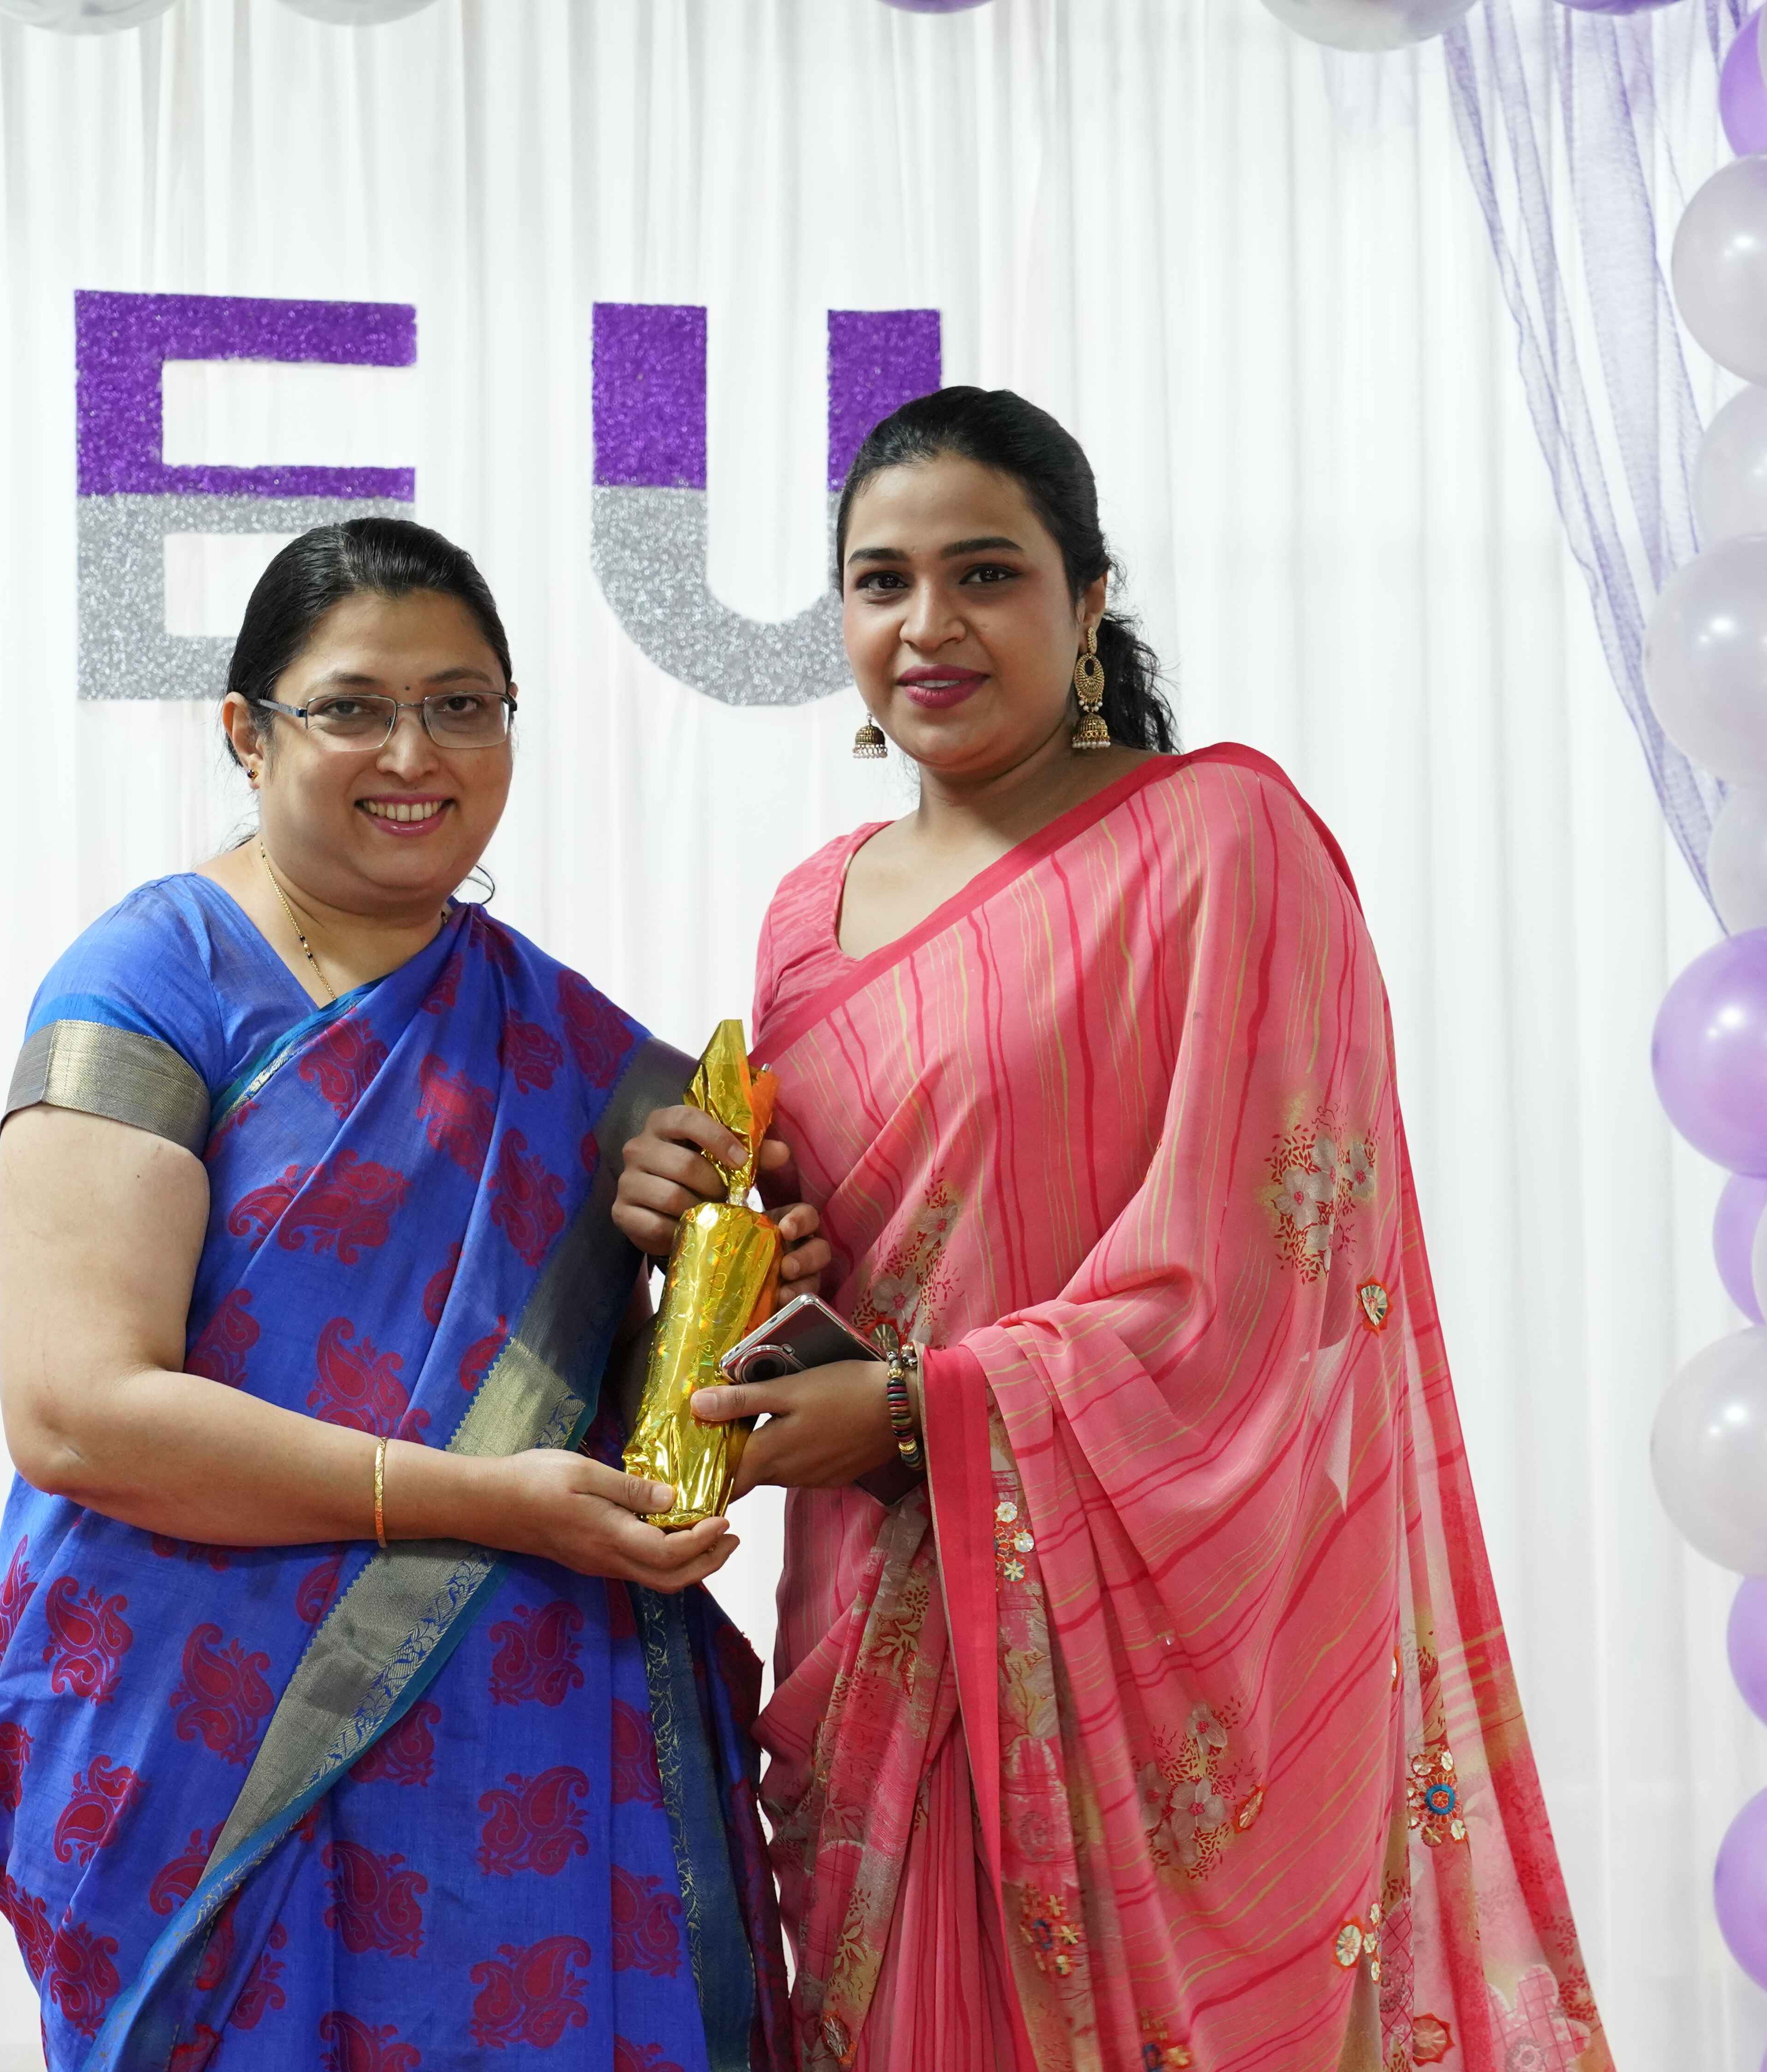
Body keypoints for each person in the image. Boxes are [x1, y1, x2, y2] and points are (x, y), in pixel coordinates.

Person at [614, 390, 1611, 2071]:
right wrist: (709, 1230)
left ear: (1086, 602)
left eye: (987, 574)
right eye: (881, 582)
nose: (928, 625)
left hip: (1157, 1635)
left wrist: (924, 1411)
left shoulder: (1220, 842)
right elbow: (853, 1247)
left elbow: (1275, 1284)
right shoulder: (806, 911)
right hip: (877, 1616)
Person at [0, 518, 813, 2069]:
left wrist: (711, 1245)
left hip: (519, 1750)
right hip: (211, 1733)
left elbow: (730, 1323)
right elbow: (77, 1413)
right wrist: (486, 1502)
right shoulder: (153, 982)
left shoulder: (560, 1034)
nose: (414, 755)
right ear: (248, 731)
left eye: (462, 705)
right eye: (353, 707)